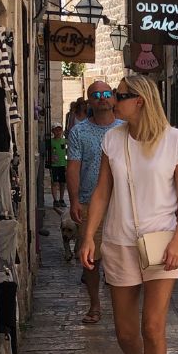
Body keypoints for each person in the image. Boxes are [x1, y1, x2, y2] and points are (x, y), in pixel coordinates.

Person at [79, 75, 178, 354]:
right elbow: (101, 192)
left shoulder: (174, 140)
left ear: (140, 100)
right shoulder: (113, 139)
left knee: (153, 327)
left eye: (119, 97)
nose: (112, 102)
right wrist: (88, 236)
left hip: (161, 243)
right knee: (125, 332)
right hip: (119, 241)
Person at [67, 81, 123, 324]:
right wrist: (74, 200)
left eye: (106, 93)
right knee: (91, 258)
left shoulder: (126, 128)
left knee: (123, 256)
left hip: (122, 203)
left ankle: (123, 304)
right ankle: (95, 304)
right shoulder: (79, 132)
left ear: (113, 97)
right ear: (89, 101)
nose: (102, 98)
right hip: (91, 202)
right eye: (96, 95)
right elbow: (73, 167)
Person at [46, 124, 68, 208]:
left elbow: (68, 152)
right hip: (54, 165)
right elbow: (48, 152)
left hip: (63, 164)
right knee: (54, 182)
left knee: (62, 183)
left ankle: (61, 199)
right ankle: (55, 200)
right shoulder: (50, 142)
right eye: (56, 130)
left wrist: (67, 164)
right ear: (53, 131)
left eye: (60, 130)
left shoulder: (65, 141)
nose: (58, 132)